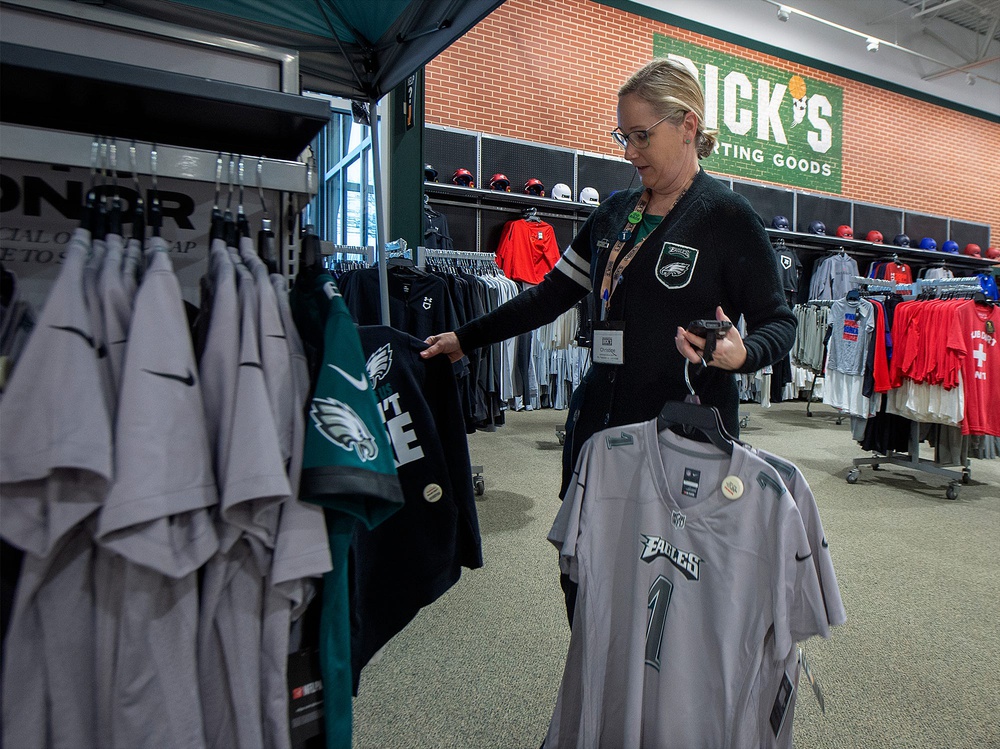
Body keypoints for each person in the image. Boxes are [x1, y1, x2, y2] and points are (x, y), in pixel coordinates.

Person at [420, 58, 796, 618]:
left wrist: (742, 354)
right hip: (597, 431)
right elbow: (549, 296)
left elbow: (780, 323)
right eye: (624, 135)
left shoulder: (727, 218)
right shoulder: (615, 213)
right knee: (585, 581)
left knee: (662, 600)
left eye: (642, 136)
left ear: (688, 126)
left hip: (681, 442)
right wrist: (465, 337)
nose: (628, 151)